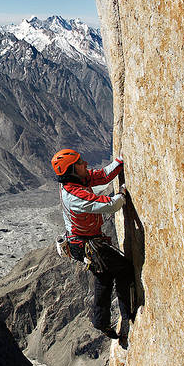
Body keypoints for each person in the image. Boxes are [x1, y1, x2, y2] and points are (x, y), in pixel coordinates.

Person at [51, 148, 135, 346]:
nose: (85, 164)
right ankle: (127, 313)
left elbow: (103, 176)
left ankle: (101, 321)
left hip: (83, 243)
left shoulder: (76, 181)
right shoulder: (74, 196)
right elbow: (111, 205)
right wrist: (122, 195)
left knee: (104, 277)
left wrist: (120, 161)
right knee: (124, 269)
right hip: (87, 244)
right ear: (72, 170)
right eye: (80, 162)